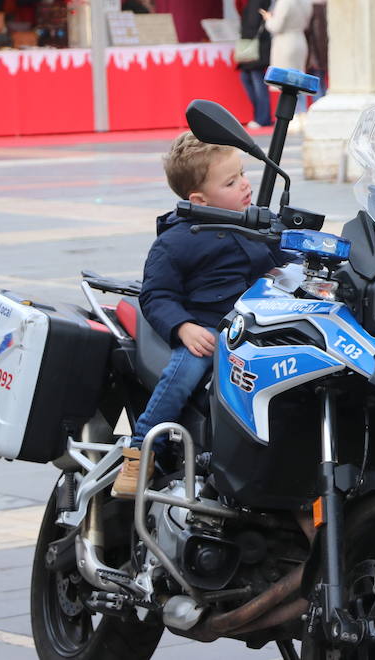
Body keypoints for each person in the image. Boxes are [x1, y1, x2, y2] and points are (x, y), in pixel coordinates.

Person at [112, 133, 289, 497]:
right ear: (199, 199)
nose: (244, 184)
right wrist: (184, 328)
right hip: (208, 329)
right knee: (183, 373)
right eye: (230, 181)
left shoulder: (259, 225)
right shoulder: (176, 241)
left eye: (242, 174)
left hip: (259, 327)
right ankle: (142, 449)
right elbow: (157, 295)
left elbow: (290, 263)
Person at [262, 0, 312, 75]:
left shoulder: (284, 1)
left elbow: (276, 27)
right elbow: (307, 23)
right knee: (299, 81)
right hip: (301, 41)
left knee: (286, 82)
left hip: (285, 44)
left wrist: (268, 18)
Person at [236, 0, 272, 128]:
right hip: (260, 43)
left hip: (253, 45)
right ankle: (261, 116)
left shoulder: (252, 0)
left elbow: (250, 23)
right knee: (252, 79)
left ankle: (261, 117)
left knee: (255, 80)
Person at [304, 0, 329, 99]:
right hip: (325, 49)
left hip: (314, 51)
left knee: (316, 83)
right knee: (322, 81)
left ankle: (319, 108)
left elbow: (310, 30)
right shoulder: (326, 3)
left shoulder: (311, 5)